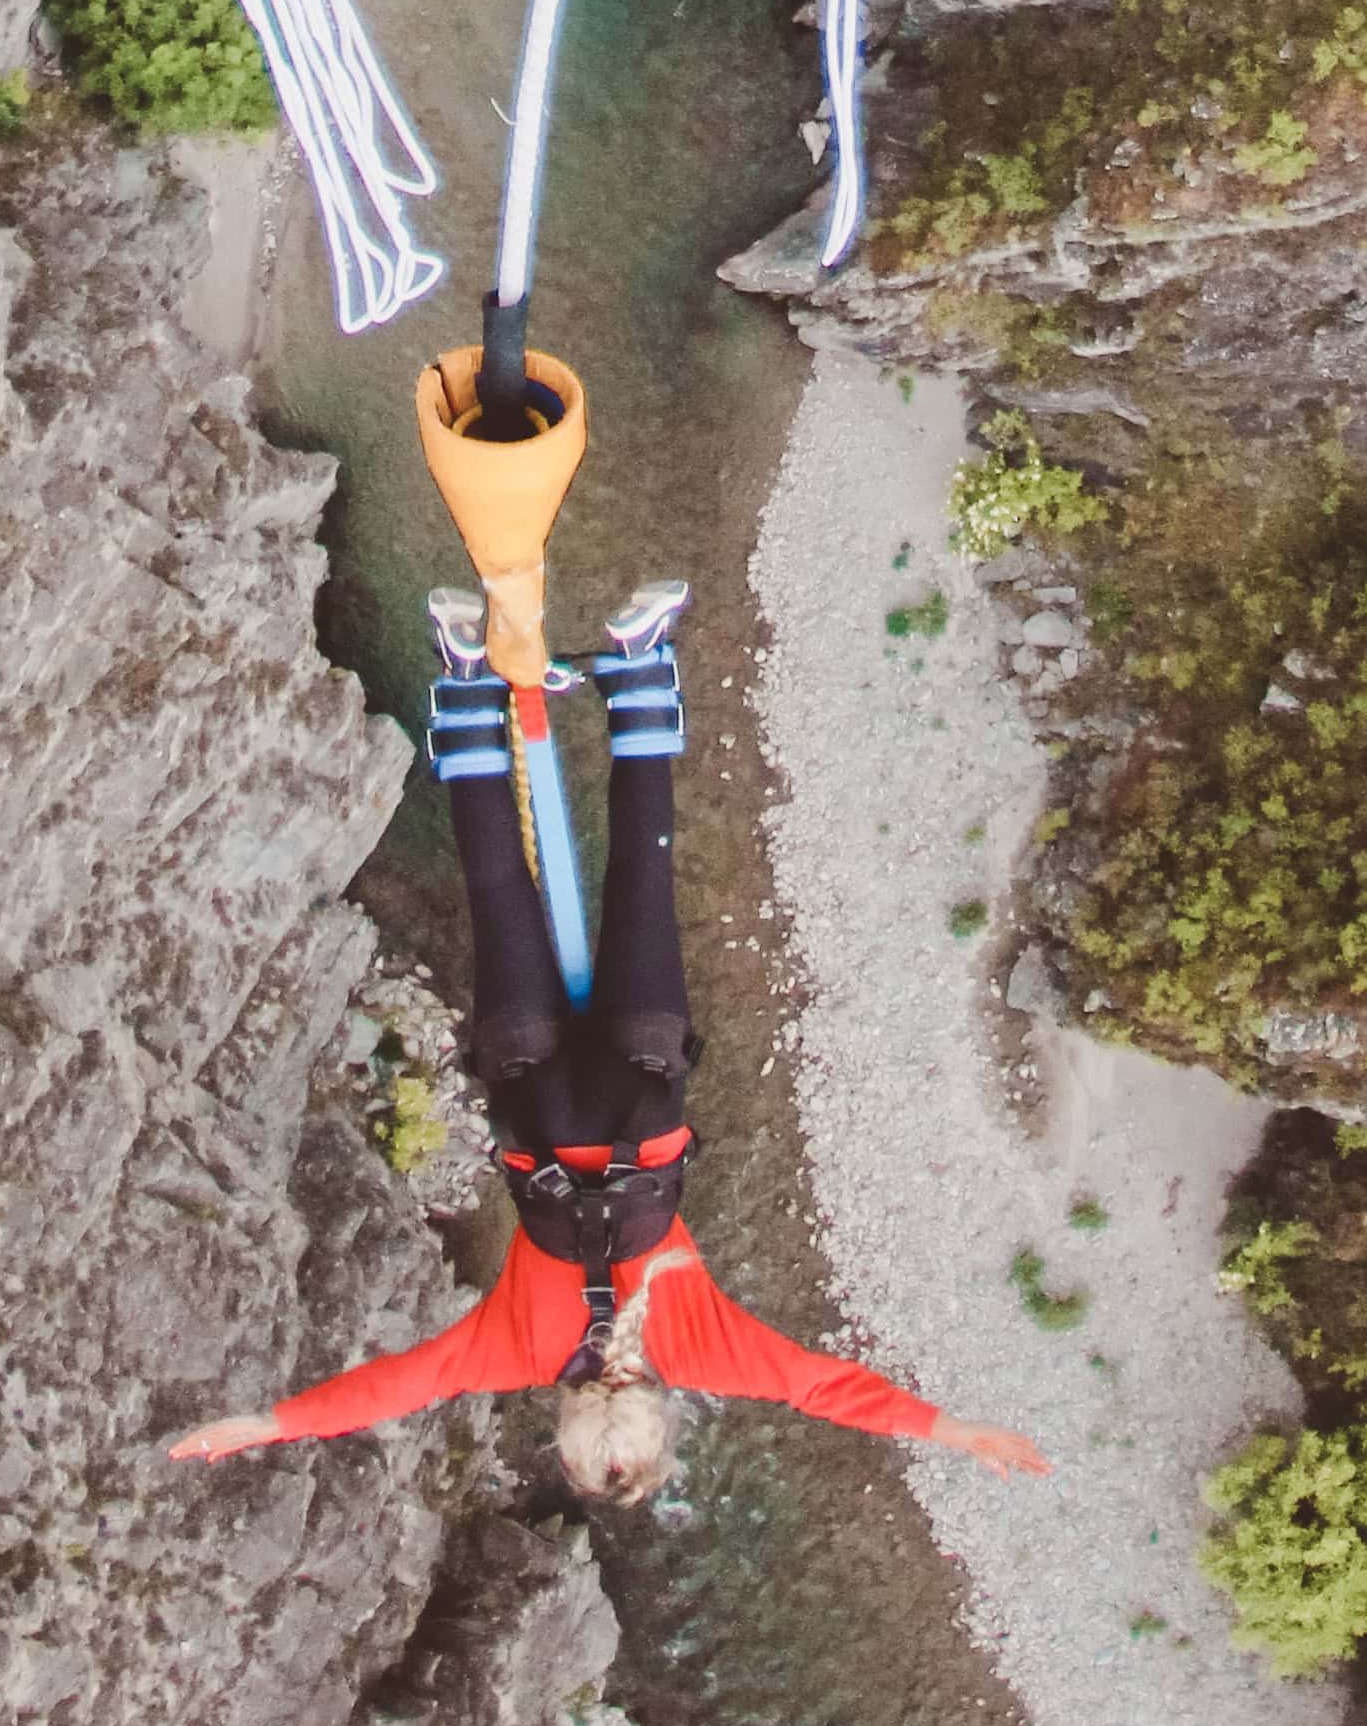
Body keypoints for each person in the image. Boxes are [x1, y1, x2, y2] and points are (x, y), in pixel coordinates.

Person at [172, 580, 1052, 1503]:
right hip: (532, 1084)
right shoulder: (510, 1350)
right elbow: (397, 1385)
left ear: (663, 1421)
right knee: (496, 888)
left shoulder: (701, 1348)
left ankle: (635, 666)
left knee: (643, 878)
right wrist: (269, 1422)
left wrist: (952, 1427)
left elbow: (825, 1387)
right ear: (563, 1436)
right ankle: (464, 670)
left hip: (639, 1080)